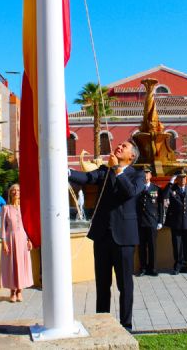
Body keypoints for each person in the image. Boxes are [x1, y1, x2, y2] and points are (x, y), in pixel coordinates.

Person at [68, 140, 143, 331]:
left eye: (124, 146)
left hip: (124, 237)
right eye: (119, 145)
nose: (119, 146)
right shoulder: (104, 170)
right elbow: (87, 178)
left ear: (132, 156)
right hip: (102, 236)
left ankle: (126, 325)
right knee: (102, 285)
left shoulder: (138, 174)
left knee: (125, 285)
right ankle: (101, 323)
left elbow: (130, 192)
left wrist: (117, 168)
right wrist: (67, 172)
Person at [0, 184, 33, 303]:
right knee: (11, 265)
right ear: (10, 193)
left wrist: (29, 239)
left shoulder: (24, 207)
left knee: (22, 264)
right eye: (13, 190)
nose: (15, 192)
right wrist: (4, 242)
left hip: (22, 239)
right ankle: (12, 291)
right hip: (10, 239)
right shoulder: (5, 208)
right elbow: (3, 227)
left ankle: (20, 291)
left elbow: (28, 225)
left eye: (18, 190)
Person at [163, 169, 187, 276]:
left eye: (184, 177)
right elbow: (164, 196)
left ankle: (185, 265)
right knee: (177, 245)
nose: (183, 180)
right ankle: (177, 266)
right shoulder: (172, 188)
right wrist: (170, 182)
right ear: (177, 179)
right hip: (176, 222)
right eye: (180, 177)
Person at [136, 167, 163, 277]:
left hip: (152, 222)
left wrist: (160, 221)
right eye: (144, 173)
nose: (146, 175)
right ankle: (142, 268)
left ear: (151, 175)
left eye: (147, 173)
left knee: (152, 247)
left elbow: (161, 206)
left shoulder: (155, 188)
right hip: (140, 222)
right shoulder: (138, 188)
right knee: (141, 247)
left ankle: (153, 268)